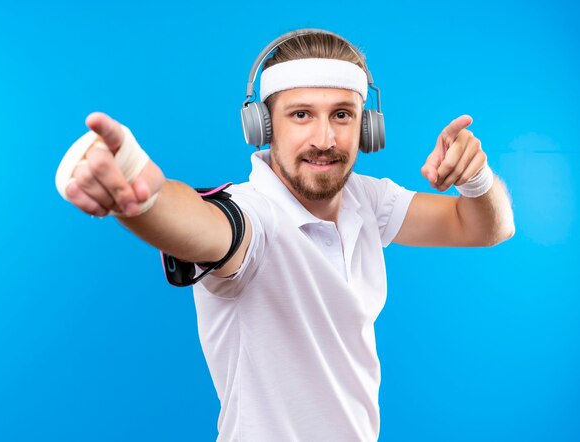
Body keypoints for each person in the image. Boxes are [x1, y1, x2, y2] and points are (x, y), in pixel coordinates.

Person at [57, 29, 515, 441]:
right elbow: (205, 226)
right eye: (301, 115)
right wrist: (143, 194)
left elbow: (486, 227)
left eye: (341, 115)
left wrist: (477, 179)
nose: (325, 138)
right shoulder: (255, 216)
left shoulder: (367, 201)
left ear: (368, 127)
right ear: (264, 127)